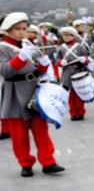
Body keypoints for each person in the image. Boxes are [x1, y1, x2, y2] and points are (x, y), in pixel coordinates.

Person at [0, 12, 65, 177]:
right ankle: (25, 163)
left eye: (24, 28)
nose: (22, 32)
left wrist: (43, 66)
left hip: (34, 89)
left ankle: (48, 162)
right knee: (19, 134)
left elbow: (37, 68)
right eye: (17, 29)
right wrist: (22, 57)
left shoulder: (28, 44)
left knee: (41, 129)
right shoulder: (2, 48)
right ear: (7, 30)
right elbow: (6, 71)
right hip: (14, 92)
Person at [57, 26, 89, 121]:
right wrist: (60, 63)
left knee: (79, 93)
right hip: (67, 72)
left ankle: (81, 112)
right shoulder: (61, 48)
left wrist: (84, 60)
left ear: (73, 36)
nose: (66, 37)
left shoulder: (80, 47)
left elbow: (87, 58)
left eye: (68, 35)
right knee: (70, 94)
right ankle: (73, 113)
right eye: (64, 35)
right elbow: (57, 60)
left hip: (79, 71)